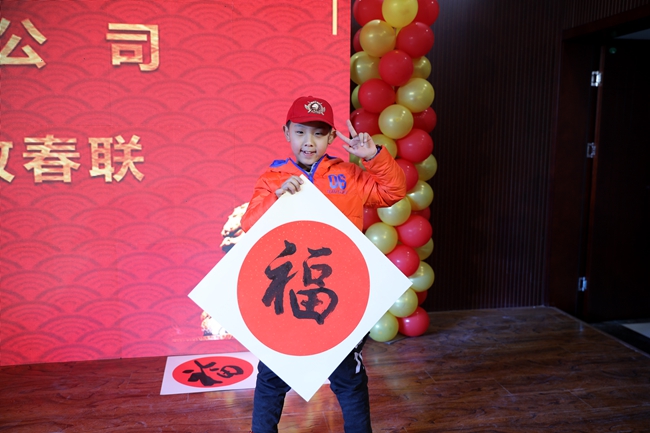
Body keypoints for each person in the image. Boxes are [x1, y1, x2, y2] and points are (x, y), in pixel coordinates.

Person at [241, 96, 407, 433]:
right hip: (287, 299)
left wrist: (373, 157)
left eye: (318, 134)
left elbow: (393, 193)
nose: (309, 141)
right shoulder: (273, 178)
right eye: (301, 132)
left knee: (348, 378)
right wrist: (276, 199)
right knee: (271, 379)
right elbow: (249, 224)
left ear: (331, 137)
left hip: (338, 297)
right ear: (286, 132)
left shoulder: (348, 174)